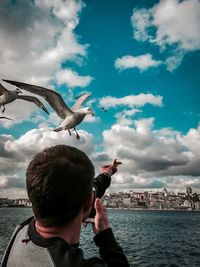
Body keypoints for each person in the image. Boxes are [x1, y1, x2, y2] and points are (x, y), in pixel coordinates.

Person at [1, 144, 130, 267]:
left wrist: (107, 174)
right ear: (88, 204)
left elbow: (92, 189)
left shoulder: (22, 230)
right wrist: (105, 236)